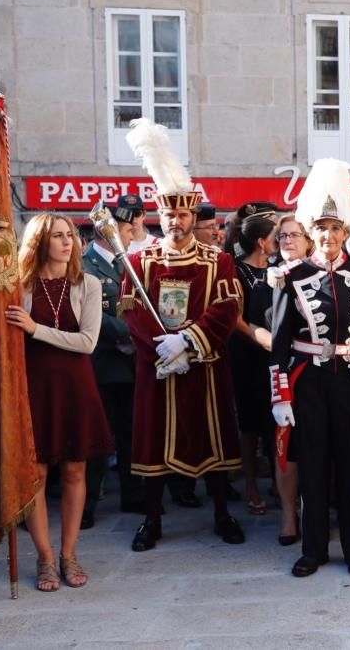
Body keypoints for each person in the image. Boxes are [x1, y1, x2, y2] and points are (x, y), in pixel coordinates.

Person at [121, 118, 246, 553]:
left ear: (194, 215)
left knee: (212, 437)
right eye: (168, 212)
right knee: (155, 443)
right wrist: (161, 347)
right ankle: (152, 520)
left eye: (183, 212)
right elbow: (131, 311)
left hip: (205, 365)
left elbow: (228, 308)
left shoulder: (219, 261)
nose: (175, 219)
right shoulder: (140, 261)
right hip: (157, 366)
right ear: (160, 214)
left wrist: (189, 342)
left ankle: (221, 513)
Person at [265, 158, 350, 578]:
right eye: (321, 228)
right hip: (310, 382)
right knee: (315, 465)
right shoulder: (291, 275)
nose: (329, 235)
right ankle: (313, 550)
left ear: (345, 231)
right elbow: (280, 342)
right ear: (310, 232)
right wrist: (280, 395)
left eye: (336, 228)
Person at [6, 214, 113, 591]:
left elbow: (87, 342)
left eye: (70, 235)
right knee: (35, 474)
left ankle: (69, 554)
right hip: (34, 388)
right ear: (39, 242)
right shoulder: (19, 287)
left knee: (75, 471)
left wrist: (35, 330)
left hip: (74, 385)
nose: (68, 243)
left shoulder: (89, 284)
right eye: (58, 236)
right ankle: (46, 559)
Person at [80, 201, 145, 530]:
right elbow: (90, 314)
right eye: (128, 229)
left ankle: (133, 496)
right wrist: (133, 334)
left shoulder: (130, 263)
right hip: (100, 363)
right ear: (110, 232)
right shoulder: (84, 266)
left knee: (129, 432)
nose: (133, 234)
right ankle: (86, 503)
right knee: (96, 438)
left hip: (129, 365)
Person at [248, 212, 308, 544]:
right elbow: (253, 323)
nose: (287, 241)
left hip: (312, 372)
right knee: (284, 448)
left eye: (294, 235)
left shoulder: (320, 277)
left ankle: (313, 510)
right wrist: (274, 341)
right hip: (276, 370)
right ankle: (288, 516)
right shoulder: (265, 283)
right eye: (282, 236)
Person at [228, 211, 278, 520]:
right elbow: (234, 319)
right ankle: (251, 486)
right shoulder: (234, 271)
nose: (281, 241)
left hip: (274, 356)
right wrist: (263, 339)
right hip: (247, 355)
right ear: (261, 242)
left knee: (276, 423)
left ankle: (278, 481)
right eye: (276, 236)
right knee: (250, 427)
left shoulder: (277, 269)